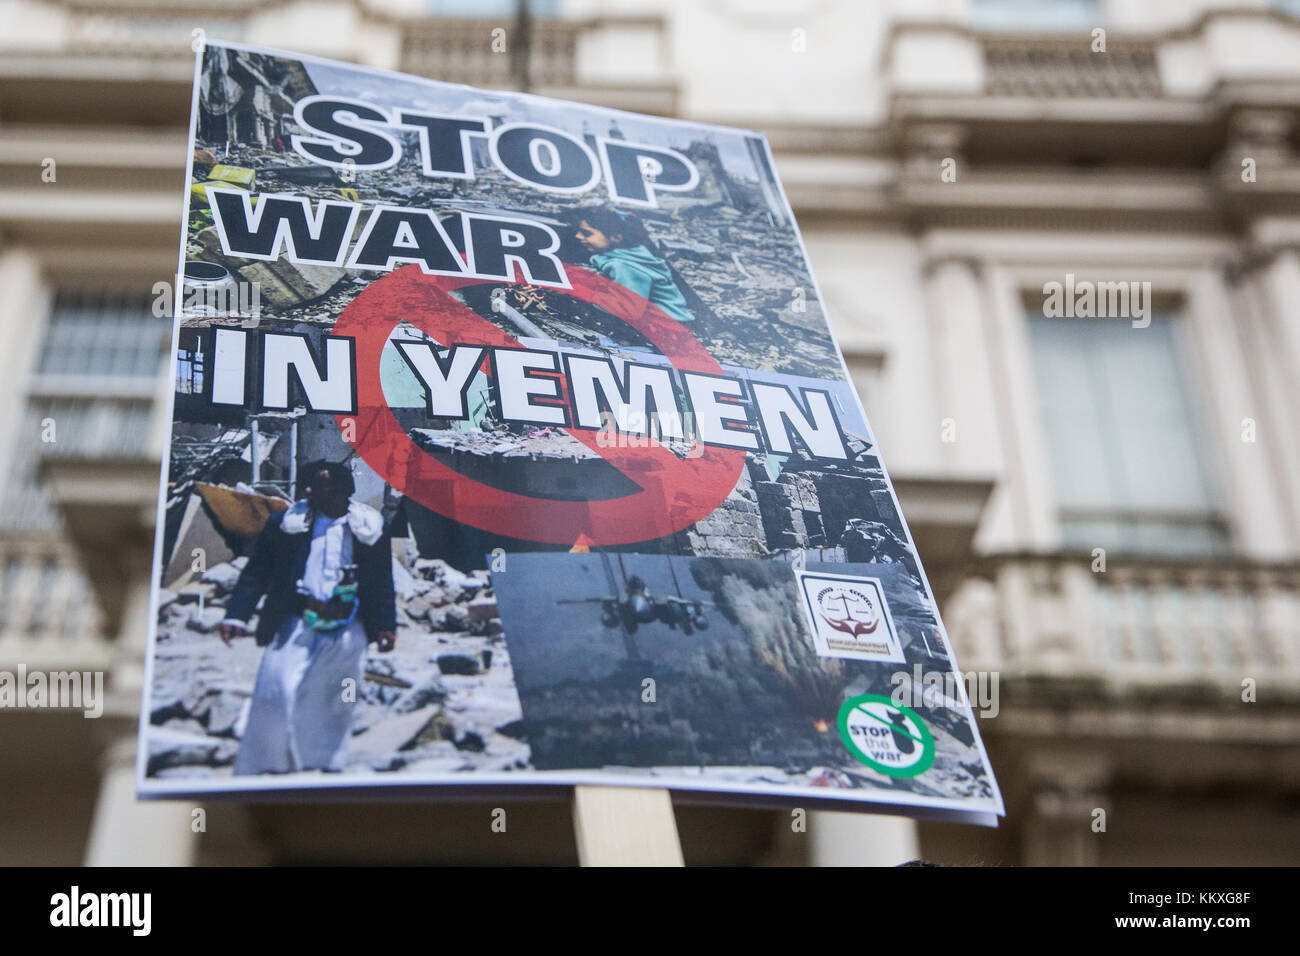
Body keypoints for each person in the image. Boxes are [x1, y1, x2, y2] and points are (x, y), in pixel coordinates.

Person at [220, 460, 396, 775]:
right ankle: (266, 766)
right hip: (296, 619)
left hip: (347, 623)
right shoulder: (286, 524)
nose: (310, 491)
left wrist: (386, 625)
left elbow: (382, 580)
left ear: (344, 491)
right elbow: (257, 573)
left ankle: (325, 762)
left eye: (320, 485)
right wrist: (236, 616)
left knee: (336, 696)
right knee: (277, 687)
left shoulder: (370, 527)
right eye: (310, 484)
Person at [572, 207, 698, 323]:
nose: (577, 236)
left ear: (616, 237)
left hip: (665, 327)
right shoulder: (635, 253)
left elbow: (629, 310)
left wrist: (583, 293)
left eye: (587, 233)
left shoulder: (624, 266)